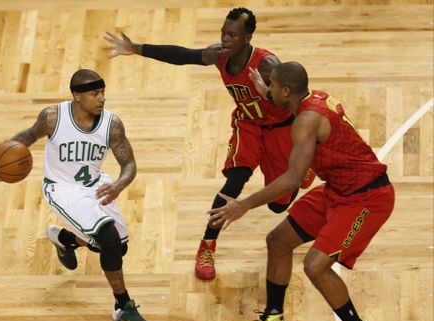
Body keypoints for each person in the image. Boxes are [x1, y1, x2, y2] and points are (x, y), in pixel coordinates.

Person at [208, 61, 395, 321]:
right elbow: (286, 104)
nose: (267, 87)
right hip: (338, 190)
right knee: (277, 241)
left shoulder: (306, 119)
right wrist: (265, 92)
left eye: (272, 84)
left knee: (315, 265)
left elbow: (293, 178)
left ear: (286, 92)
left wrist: (244, 205)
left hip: (366, 198)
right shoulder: (314, 99)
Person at [103, 7, 315, 280]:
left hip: (279, 129)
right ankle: (207, 244)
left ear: (247, 38)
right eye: (224, 33)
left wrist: (269, 95)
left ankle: (304, 167)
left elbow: (298, 101)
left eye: (233, 35)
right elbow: (183, 55)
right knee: (233, 183)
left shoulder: (267, 65)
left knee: (277, 205)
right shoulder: (218, 56)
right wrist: (137, 48)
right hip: (248, 125)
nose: (226, 39)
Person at [0, 69, 152, 321]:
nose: (102, 99)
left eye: (103, 93)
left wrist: (120, 184)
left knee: (118, 248)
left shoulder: (112, 124)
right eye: (95, 94)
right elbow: (28, 135)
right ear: (77, 96)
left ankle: (64, 238)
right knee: (107, 241)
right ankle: (123, 307)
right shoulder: (53, 117)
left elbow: (129, 162)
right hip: (62, 188)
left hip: (96, 185)